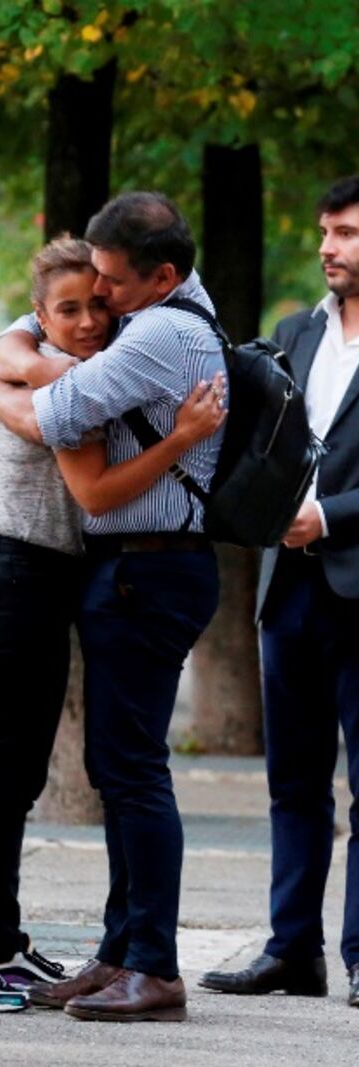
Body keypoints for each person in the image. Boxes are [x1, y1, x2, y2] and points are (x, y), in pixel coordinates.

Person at [0, 233, 226, 1015]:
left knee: (14, 779)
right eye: (69, 309)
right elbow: (89, 486)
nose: (88, 319)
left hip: (43, 584)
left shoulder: (94, 373)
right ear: (42, 314)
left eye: (99, 302)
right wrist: (24, 369)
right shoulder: (71, 399)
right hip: (11, 578)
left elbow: (8, 361)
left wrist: (17, 363)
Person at [200, 175, 359, 1008]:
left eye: (349, 232)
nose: (330, 246)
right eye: (327, 230)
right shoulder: (295, 333)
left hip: (353, 576)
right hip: (287, 591)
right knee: (292, 784)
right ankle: (292, 950)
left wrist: (326, 515)